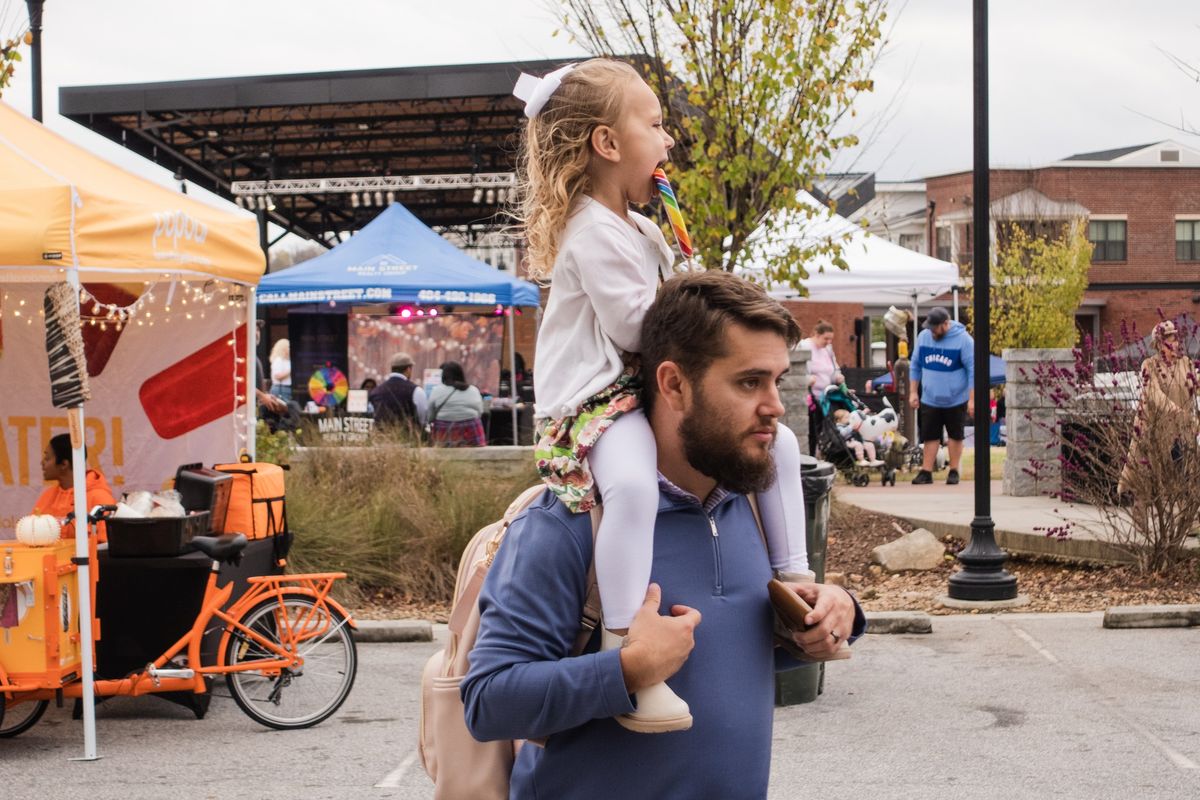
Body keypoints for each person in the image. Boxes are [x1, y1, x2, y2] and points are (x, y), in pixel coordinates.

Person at [462, 271, 864, 799]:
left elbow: (732, 653)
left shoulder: (753, 506)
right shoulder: (572, 519)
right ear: (674, 384)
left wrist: (838, 615)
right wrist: (628, 669)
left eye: (775, 379)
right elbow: (489, 701)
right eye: (749, 382)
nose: (775, 405)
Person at [515, 58, 810, 731]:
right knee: (634, 487)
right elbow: (636, 328)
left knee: (783, 443)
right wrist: (702, 318)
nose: (669, 139)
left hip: (637, 385)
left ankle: (792, 580)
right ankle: (628, 646)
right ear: (607, 144)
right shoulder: (591, 232)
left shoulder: (640, 228)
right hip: (593, 400)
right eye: (654, 124)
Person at [1118, 320, 1200, 495]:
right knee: (1144, 484)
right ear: (1160, 344)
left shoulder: (1186, 363)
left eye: (1177, 339)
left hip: (1181, 431)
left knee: (1186, 480)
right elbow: (1153, 393)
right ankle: (1142, 522)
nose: (1176, 344)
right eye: (1171, 340)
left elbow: (1196, 383)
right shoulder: (1149, 365)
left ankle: (1182, 520)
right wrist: (1174, 409)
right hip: (1154, 430)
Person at [908, 306, 974, 485]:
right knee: (929, 435)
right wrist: (913, 391)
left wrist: (972, 399)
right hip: (930, 397)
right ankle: (926, 471)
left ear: (946, 324)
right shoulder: (923, 337)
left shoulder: (964, 340)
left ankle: (953, 470)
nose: (932, 331)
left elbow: (972, 371)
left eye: (935, 327)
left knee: (955, 435)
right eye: (930, 327)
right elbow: (915, 365)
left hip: (955, 398)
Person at [32, 433, 117, 541]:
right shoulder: (47, 495)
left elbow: (106, 547)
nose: (42, 463)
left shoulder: (100, 499)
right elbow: (31, 535)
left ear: (64, 464)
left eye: (47, 458)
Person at [427, 361, 487, 447]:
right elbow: (480, 412)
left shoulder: (436, 391)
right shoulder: (473, 390)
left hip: (444, 432)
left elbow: (430, 417)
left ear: (443, 376)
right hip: (471, 431)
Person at [369, 351, 428, 432]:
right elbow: (423, 418)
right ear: (408, 369)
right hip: (408, 440)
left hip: (381, 440)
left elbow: (372, 415)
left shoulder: (376, 392)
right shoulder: (416, 391)